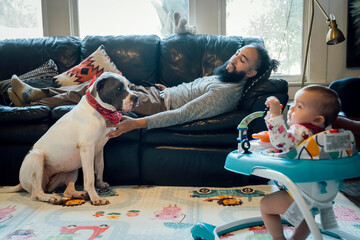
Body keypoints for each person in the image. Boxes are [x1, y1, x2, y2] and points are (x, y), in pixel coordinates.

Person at [8, 44, 278, 137]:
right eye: (237, 54)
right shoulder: (225, 77)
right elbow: (192, 92)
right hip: (159, 95)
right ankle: (37, 95)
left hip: (157, 105)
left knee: (95, 92)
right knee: (100, 82)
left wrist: (134, 125)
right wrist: (169, 88)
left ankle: (31, 99)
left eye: (242, 60)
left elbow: (182, 114)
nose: (234, 59)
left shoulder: (226, 93)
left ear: (251, 72)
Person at [260, 85, 341, 240]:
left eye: (298, 106)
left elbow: (280, 140)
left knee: (266, 205)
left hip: (299, 192)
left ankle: (278, 238)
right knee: (307, 216)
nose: (291, 109)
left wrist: (276, 114)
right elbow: (289, 146)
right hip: (320, 193)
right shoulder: (320, 136)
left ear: (317, 119)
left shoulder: (301, 131)